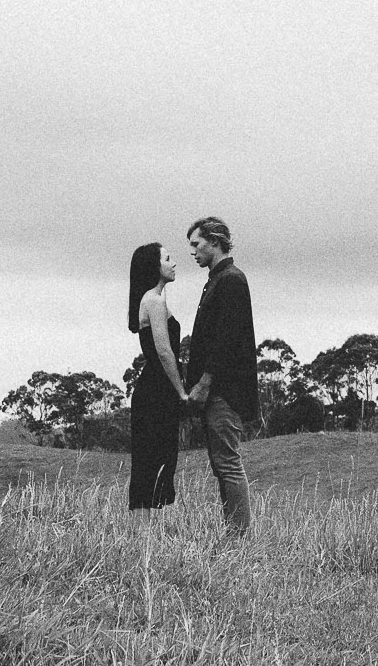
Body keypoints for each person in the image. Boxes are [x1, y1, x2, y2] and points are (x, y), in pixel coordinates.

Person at [183, 215, 256, 535]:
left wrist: (204, 383)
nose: (193, 251)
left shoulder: (231, 280)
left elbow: (226, 341)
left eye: (196, 244)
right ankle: (233, 533)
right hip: (218, 391)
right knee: (221, 464)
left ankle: (238, 538)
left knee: (228, 463)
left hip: (226, 392)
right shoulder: (217, 279)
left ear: (215, 241)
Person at [126, 242, 187, 511]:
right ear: (155, 266)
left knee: (157, 459)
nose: (173, 264)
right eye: (167, 259)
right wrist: (182, 391)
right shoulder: (153, 299)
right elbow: (164, 352)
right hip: (156, 391)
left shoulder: (155, 298)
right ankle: (144, 535)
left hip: (156, 390)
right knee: (152, 461)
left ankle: (150, 535)